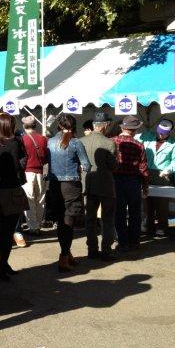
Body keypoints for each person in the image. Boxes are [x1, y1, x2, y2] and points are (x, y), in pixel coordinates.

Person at [0, 113, 29, 280]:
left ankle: (4, 263)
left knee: (3, 230)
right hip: (11, 189)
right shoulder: (15, 143)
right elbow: (18, 164)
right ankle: (3, 264)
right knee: (9, 230)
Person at [47, 114, 91, 272]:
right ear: (74, 126)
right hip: (71, 185)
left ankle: (66, 253)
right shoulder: (76, 142)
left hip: (54, 184)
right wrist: (78, 167)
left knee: (61, 221)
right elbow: (87, 166)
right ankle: (64, 256)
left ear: (59, 126)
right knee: (68, 221)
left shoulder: (50, 142)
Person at [79, 112, 117, 261]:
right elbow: (113, 166)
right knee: (107, 219)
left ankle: (92, 250)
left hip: (87, 184)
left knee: (90, 219)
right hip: (106, 185)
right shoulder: (109, 143)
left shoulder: (81, 141)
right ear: (105, 125)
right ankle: (106, 250)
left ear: (94, 125)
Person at [136, 118, 175, 236]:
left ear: (169, 132)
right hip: (146, 172)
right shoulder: (147, 136)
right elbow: (133, 137)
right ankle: (147, 224)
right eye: (159, 132)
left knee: (161, 202)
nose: (161, 135)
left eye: (164, 133)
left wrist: (168, 170)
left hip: (162, 174)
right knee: (146, 200)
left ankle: (162, 226)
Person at [113, 115, 149, 252]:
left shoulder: (112, 141)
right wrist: (145, 186)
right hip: (134, 181)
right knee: (135, 213)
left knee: (119, 213)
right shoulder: (139, 145)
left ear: (123, 128)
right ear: (135, 130)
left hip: (116, 180)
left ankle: (122, 242)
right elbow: (143, 168)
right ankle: (134, 242)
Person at [20, 115, 48, 236]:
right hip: (41, 172)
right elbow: (46, 157)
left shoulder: (23, 139)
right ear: (35, 126)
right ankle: (38, 224)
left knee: (29, 199)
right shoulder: (43, 139)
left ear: (24, 126)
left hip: (27, 172)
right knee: (41, 199)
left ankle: (33, 226)